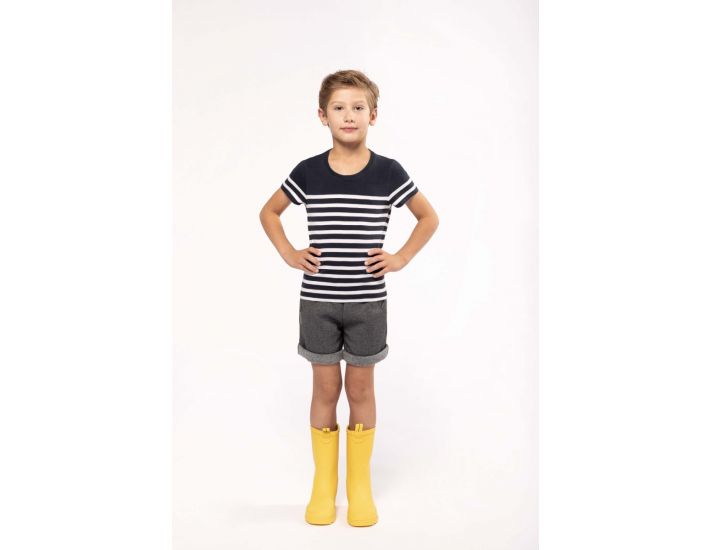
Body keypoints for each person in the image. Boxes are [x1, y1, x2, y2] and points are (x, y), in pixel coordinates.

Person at [258, 69, 439, 527]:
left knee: (360, 389)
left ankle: (359, 488)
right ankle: (324, 487)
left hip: (367, 304)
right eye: (339, 108)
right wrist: (288, 252)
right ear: (323, 116)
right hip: (318, 302)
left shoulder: (388, 172)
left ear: (373, 115)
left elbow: (428, 218)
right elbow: (270, 212)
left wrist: (400, 257)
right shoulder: (308, 171)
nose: (349, 115)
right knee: (324, 389)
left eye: (358, 107)